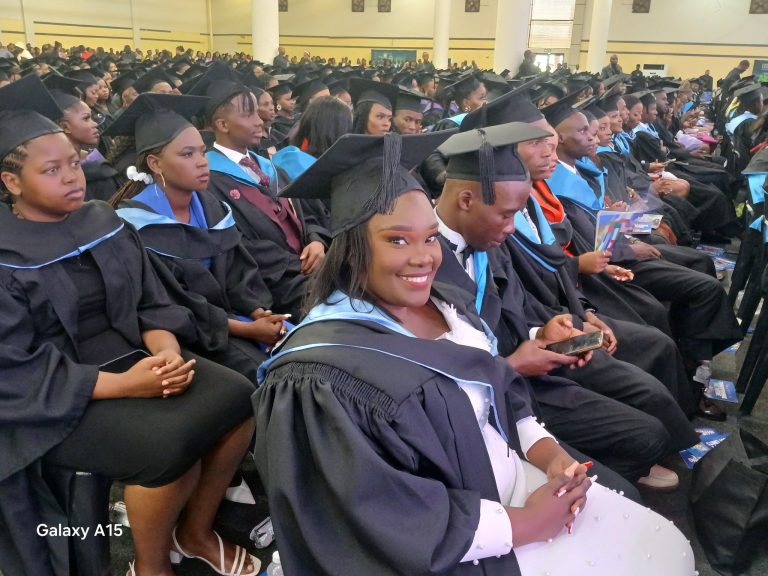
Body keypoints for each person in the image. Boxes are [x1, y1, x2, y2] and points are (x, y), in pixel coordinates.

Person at [253, 130, 695, 575]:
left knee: (659, 545)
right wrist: (526, 524)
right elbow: (375, 515)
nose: (425, 257)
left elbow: (500, 394)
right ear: (350, 249)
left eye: (430, 238)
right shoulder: (319, 376)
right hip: (460, 544)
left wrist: (549, 454)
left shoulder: (447, 304)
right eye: (398, 240)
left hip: (511, 478)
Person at [0, 76, 259, 576]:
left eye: (73, 162)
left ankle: (195, 532)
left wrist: (166, 351)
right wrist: (124, 385)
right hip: (57, 395)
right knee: (167, 446)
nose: (73, 177)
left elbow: (150, 300)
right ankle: (151, 565)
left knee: (238, 396)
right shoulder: (6, 254)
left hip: (137, 358)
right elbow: (13, 368)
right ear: (12, 183)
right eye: (52, 170)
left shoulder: (103, 220)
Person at [106, 93, 287, 386]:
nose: (203, 163)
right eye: (188, 154)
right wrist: (248, 329)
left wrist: (257, 311)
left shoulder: (210, 206)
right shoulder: (135, 225)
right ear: (155, 163)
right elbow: (166, 305)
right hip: (189, 336)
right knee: (268, 376)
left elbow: (238, 270)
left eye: (202, 152)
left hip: (236, 319)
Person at [199, 71, 329, 320]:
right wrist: (299, 265)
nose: (259, 121)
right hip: (273, 285)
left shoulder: (270, 167)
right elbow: (238, 247)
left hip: (311, 269)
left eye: (258, 114)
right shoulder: (210, 181)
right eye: (249, 115)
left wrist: (316, 241)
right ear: (223, 125)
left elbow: (307, 215)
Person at [42, 74, 125, 202]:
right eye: (86, 118)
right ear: (64, 126)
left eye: (92, 117)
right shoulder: (52, 175)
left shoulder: (94, 160)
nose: (95, 124)